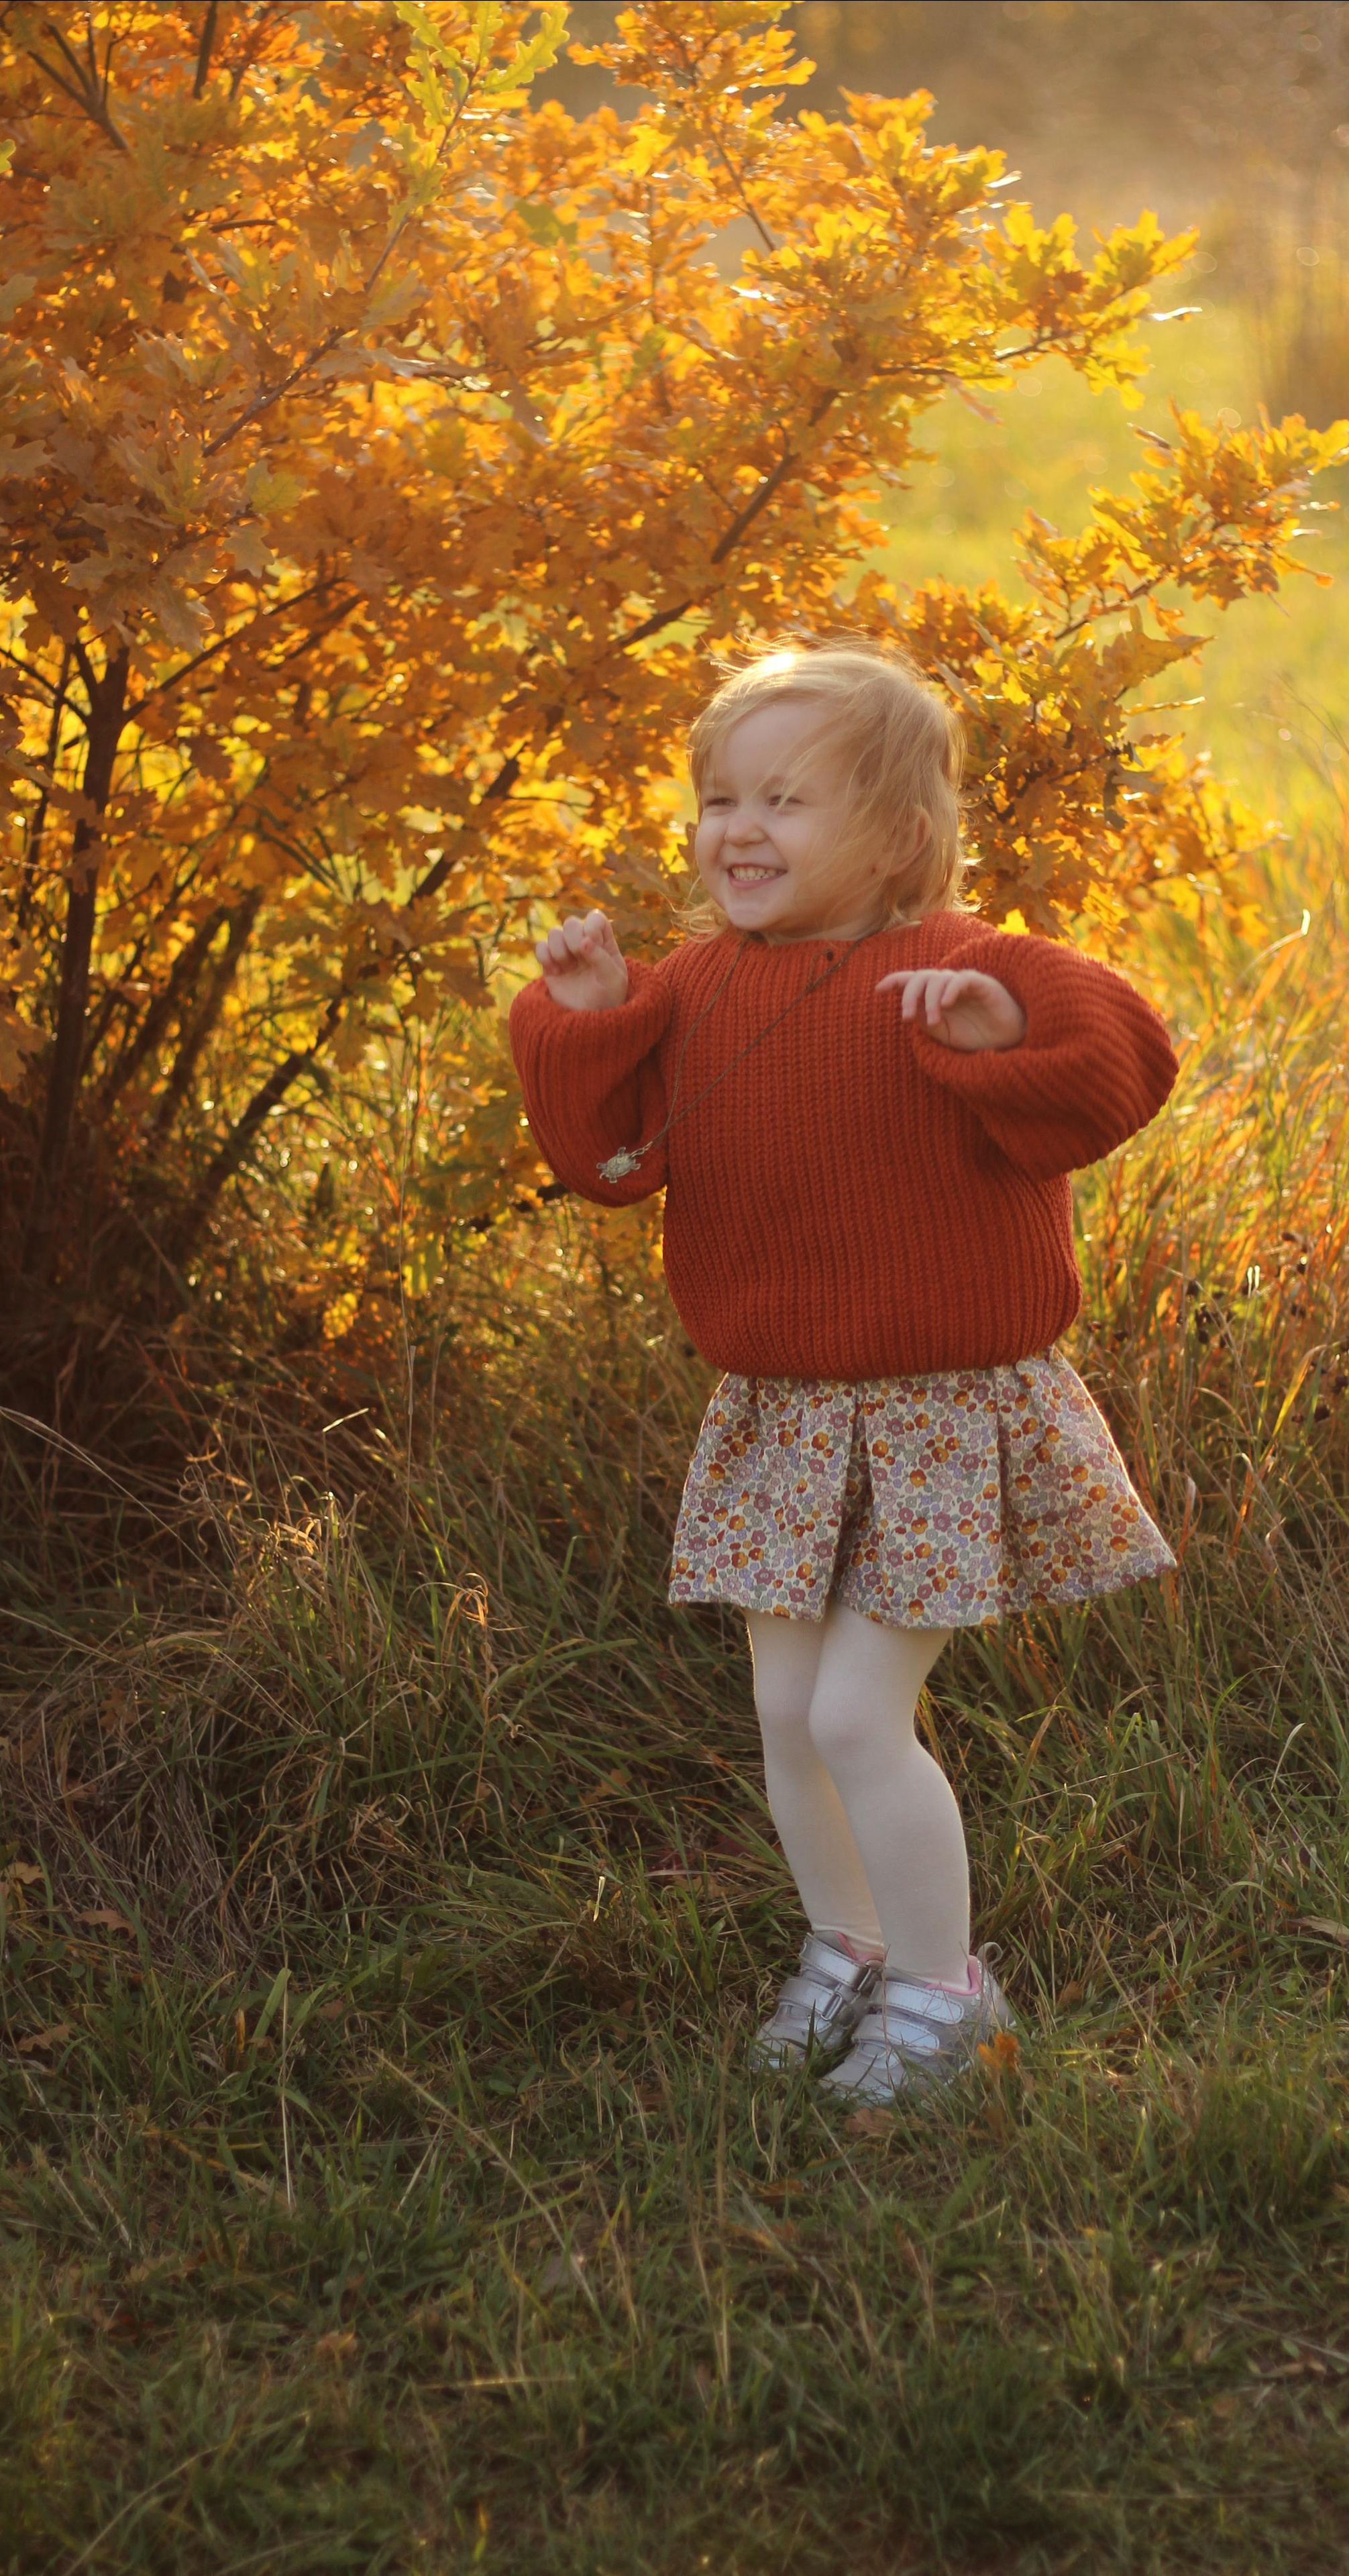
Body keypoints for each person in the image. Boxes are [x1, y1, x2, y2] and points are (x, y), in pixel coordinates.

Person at [508, 641, 1178, 2104]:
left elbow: (1118, 1060)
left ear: (895, 832)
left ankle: (949, 1999)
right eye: (718, 797)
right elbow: (606, 1164)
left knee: (857, 1718)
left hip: (939, 1414)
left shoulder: (971, 966)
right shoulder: (696, 988)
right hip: (781, 1417)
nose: (736, 828)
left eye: (785, 800)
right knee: (781, 1715)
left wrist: (999, 1040)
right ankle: (849, 1946)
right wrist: (587, 1016)